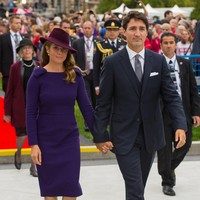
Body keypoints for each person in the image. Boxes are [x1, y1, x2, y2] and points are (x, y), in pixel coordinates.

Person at [93, 11, 187, 200]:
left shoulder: (158, 61)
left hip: (150, 135)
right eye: (133, 29)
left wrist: (180, 125)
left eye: (141, 29)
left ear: (147, 33)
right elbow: (103, 103)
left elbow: (171, 97)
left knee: (138, 187)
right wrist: (100, 135)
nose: (137, 33)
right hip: (123, 136)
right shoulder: (112, 63)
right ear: (124, 32)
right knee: (136, 188)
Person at [26, 28, 94, 199]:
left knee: (70, 190)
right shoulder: (37, 77)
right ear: (47, 49)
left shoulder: (75, 75)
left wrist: (100, 135)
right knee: (50, 193)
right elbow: (30, 112)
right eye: (56, 48)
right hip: (45, 141)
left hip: (69, 140)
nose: (60, 52)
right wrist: (34, 144)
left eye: (64, 49)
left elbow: (86, 108)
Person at [157, 32, 200, 196]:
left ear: (176, 45)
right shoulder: (156, 64)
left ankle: (167, 168)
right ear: (161, 45)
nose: (168, 45)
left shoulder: (185, 63)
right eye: (165, 43)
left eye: (171, 43)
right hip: (162, 113)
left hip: (182, 112)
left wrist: (196, 112)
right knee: (165, 148)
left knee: (186, 144)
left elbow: (193, 90)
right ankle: (167, 182)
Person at [3, 38, 39, 177]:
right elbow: (10, 90)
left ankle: (33, 166)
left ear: (33, 51)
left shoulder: (39, 66)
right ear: (20, 52)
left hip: (36, 107)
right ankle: (18, 152)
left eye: (29, 48)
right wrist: (7, 112)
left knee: (36, 136)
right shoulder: (15, 67)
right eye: (24, 49)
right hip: (20, 106)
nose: (27, 50)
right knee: (22, 134)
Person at [93, 19, 126, 96]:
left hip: (122, 80)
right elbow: (96, 67)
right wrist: (96, 86)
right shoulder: (100, 45)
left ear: (118, 31)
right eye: (109, 30)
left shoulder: (124, 44)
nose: (112, 32)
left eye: (115, 30)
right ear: (106, 31)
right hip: (105, 80)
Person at [0, 14, 22, 92]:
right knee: (8, 93)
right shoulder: (3, 38)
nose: (19, 25)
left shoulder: (23, 37)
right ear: (10, 24)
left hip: (21, 70)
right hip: (7, 71)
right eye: (16, 23)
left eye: (20, 23)